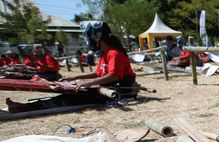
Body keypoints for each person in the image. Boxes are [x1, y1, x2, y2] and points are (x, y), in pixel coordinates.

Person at [6, 22, 137, 113]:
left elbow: (114, 76)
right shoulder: (106, 54)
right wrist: (74, 77)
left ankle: (28, 107)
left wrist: (88, 83)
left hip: (118, 90)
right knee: (69, 93)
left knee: (72, 97)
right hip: (105, 86)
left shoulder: (114, 53)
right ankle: (29, 106)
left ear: (97, 39)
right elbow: (98, 73)